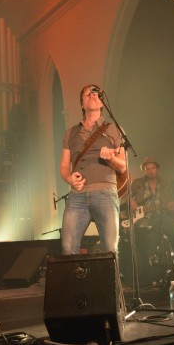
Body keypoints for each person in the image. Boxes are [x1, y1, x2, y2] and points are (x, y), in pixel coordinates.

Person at [59, 84, 126, 256]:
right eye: (87, 93)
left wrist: (111, 158)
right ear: (82, 103)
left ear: (102, 103)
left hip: (105, 193)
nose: (92, 95)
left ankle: (111, 283)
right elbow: (64, 166)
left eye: (96, 93)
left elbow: (123, 165)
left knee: (110, 249)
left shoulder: (113, 129)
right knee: (68, 248)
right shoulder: (70, 133)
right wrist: (69, 179)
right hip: (77, 196)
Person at [128, 157, 174, 285]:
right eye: (147, 169)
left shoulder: (166, 184)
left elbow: (171, 207)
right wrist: (130, 201)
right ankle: (148, 276)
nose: (150, 171)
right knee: (146, 243)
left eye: (153, 168)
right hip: (144, 219)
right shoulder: (137, 183)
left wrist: (173, 207)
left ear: (157, 169)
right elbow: (124, 196)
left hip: (163, 217)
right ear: (144, 170)